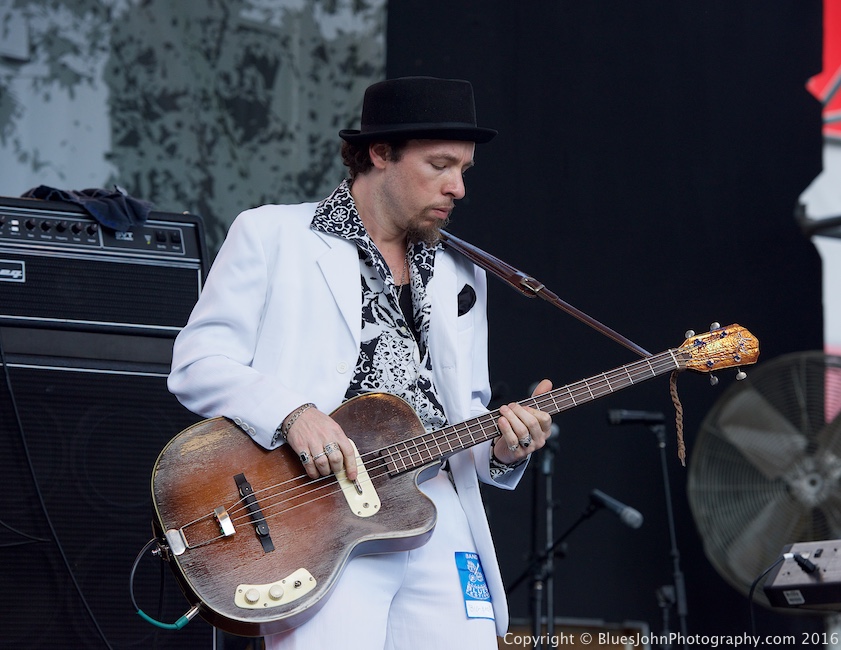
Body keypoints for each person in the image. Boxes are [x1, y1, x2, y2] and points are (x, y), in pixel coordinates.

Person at [167, 76, 554, 649]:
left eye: (465, 170)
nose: (458, 188)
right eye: (441, 165)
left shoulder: (460, 273)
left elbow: (464, 412)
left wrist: (503, 448)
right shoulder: (273, 235)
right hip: (319, 513)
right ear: (379, 153)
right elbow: (197, 363)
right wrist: (293, 414)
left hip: (434, 510)